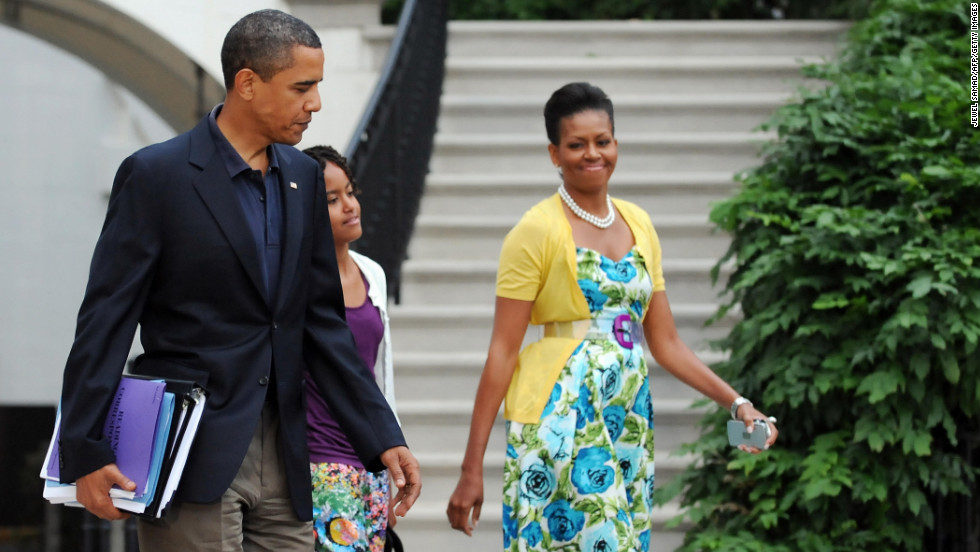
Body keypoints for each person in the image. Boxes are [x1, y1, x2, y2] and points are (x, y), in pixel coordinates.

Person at [56, 9, 420, 551]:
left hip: (289, 452)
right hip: (192, 450)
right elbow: (106, 320)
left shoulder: (302, 177)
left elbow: (322, 324)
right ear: (247, 82)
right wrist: (84, 448)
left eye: (317, 86)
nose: (315, 104)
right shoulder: (157, 175)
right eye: (302, 87)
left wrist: (381, 434)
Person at [446, 82, 777, 551]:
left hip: (626, 413)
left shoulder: (638, 222)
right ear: (554, 153)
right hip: (562, 411)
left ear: (616, 143)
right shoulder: (535, 230)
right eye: (576, 144)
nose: (592, 154)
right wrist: (470, 468)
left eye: (602, 141)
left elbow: (666, 343)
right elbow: (502, 351)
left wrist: (737, 404)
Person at [301, 145, 399, 552]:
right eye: (331, 199)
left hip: (372, 461)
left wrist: (392, 460)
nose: (350, 206)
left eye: (351, 192)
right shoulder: (297, 280)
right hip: (322, 464)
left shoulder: (371, 272)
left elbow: (379, 376)